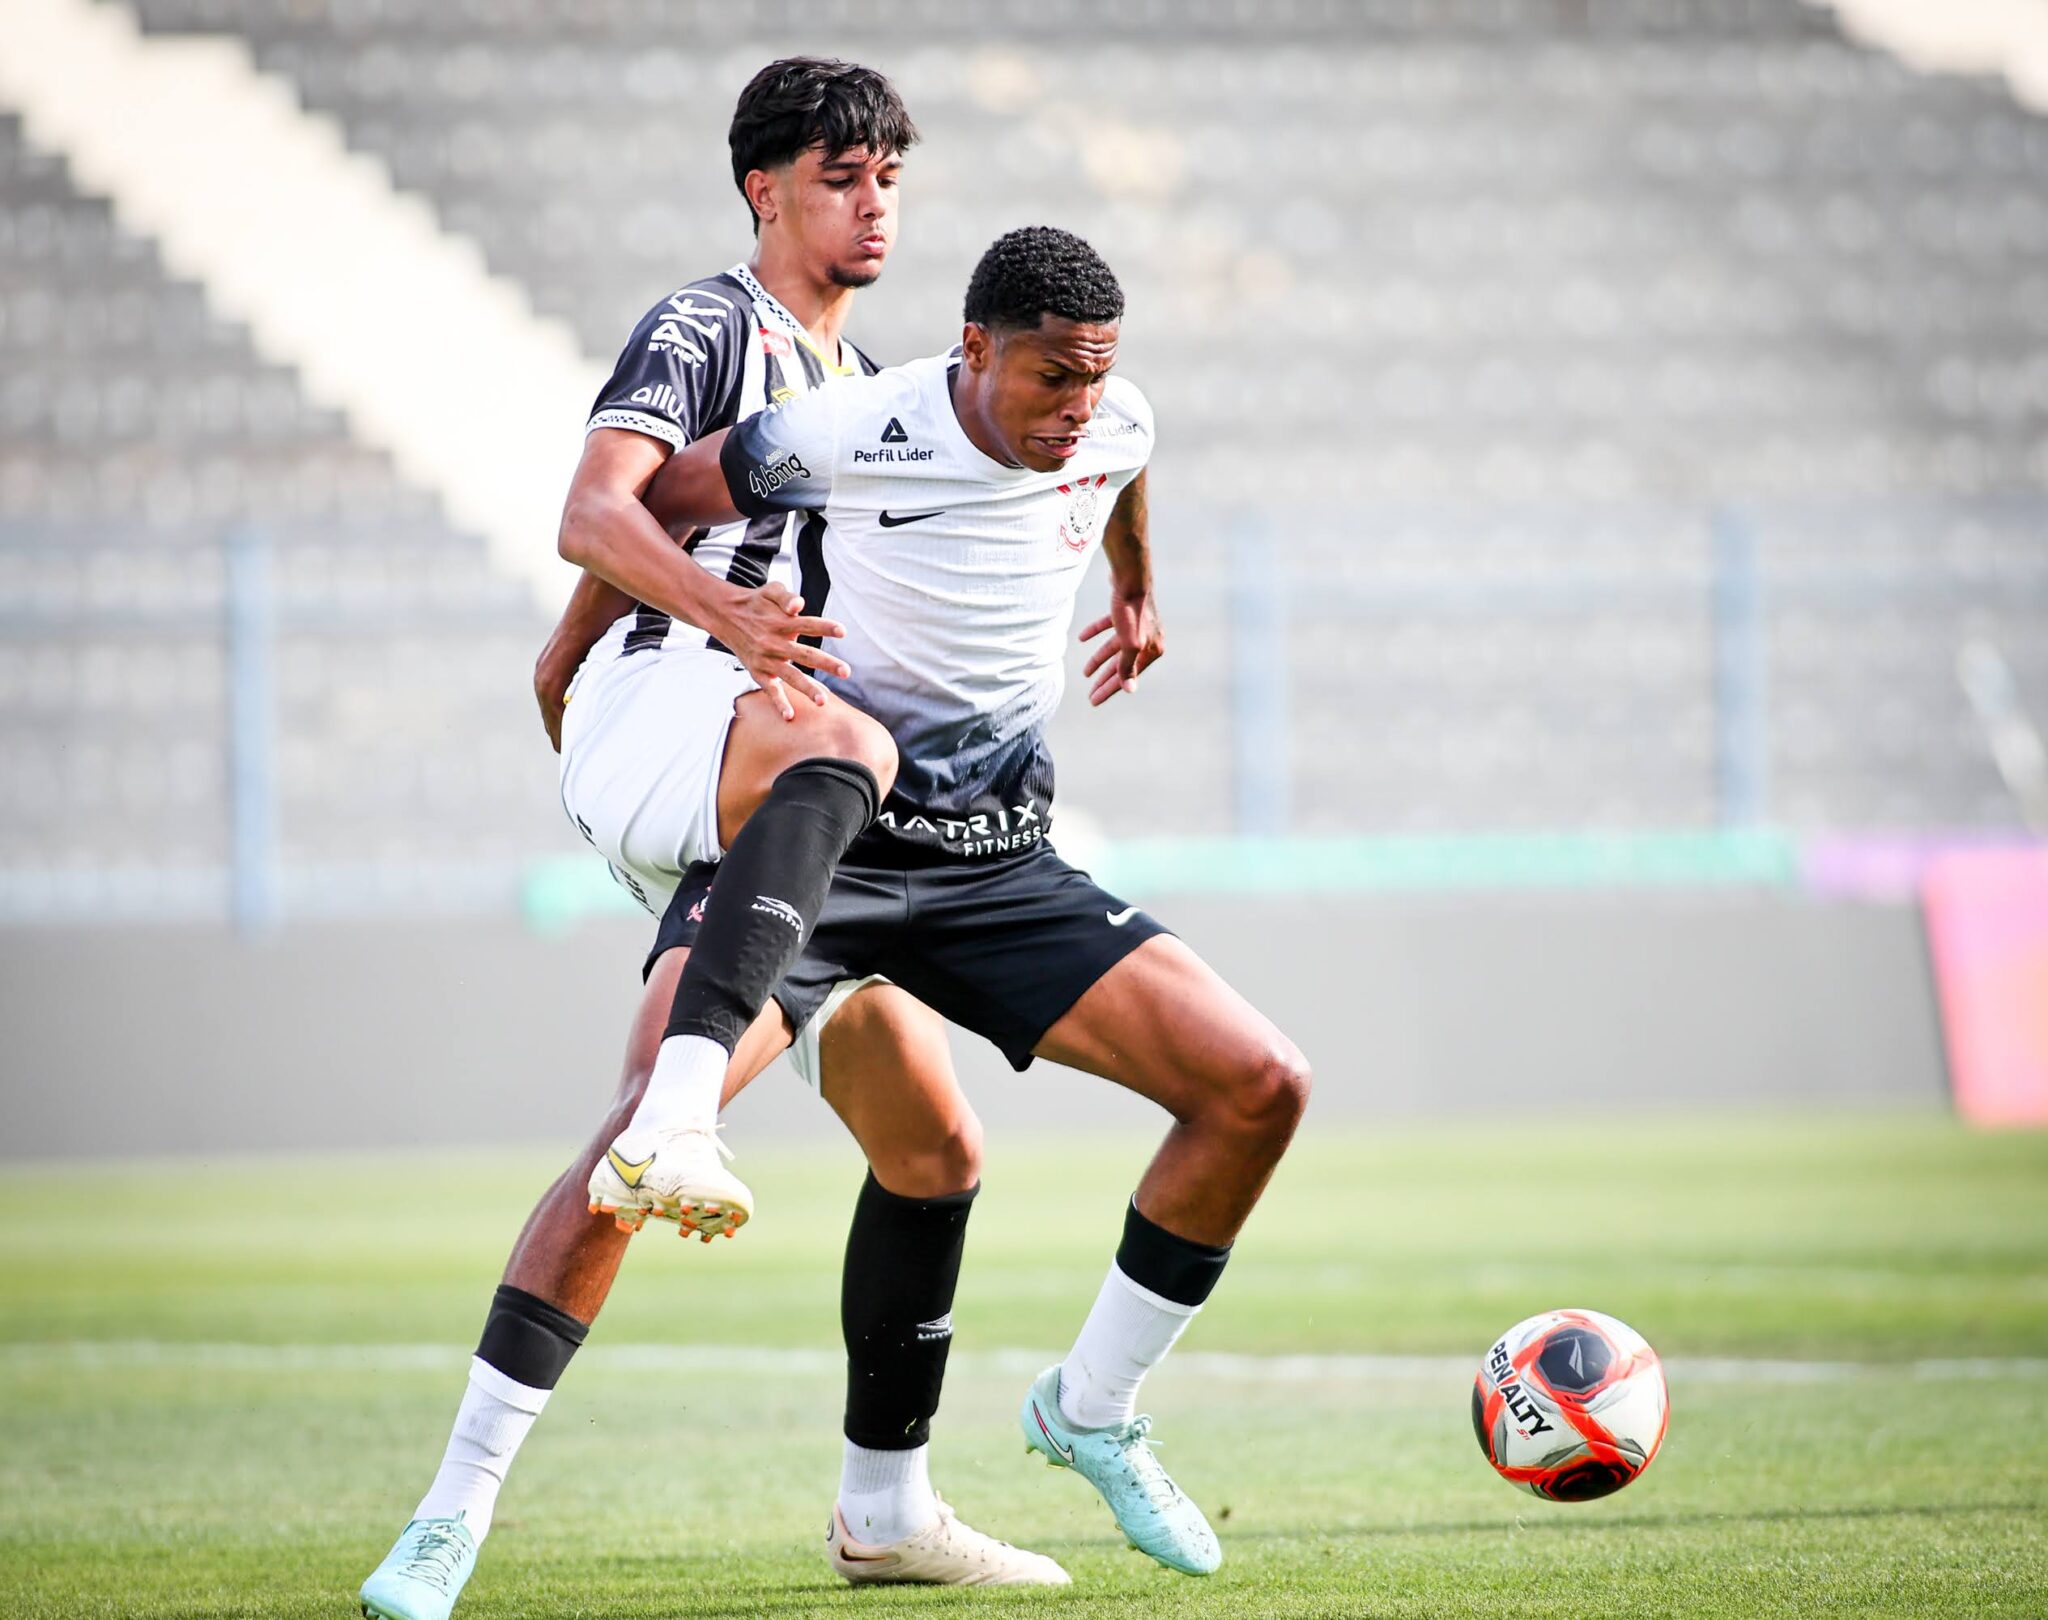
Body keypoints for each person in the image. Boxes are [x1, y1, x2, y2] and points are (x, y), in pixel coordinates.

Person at [360, 60, 1066, 1620]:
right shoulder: (708, 326)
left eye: (889, 176)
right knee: (841, 738)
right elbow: (602, 507)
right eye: (842, 176)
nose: (874, 201)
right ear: (766, 190)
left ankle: (885, 1509)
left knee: (932, 1149)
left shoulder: (865, 369)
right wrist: (651, 627)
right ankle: (451, 1515)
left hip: (785, 791)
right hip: (685, 716)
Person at [633, 225, 1314, 1578]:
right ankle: (459, 1504)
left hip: (997, 862)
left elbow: (1126, 463)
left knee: (1261, 1086)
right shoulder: (842, 429)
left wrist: (1138, 588)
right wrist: (698, 650)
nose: (1079, 409)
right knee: (643, 1134)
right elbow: (660, 504)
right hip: (827, 854)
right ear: (977, 350)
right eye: (1052, 378)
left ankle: (1092, 1413)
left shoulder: (1115, 419)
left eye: (1097, 378)